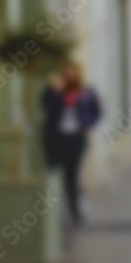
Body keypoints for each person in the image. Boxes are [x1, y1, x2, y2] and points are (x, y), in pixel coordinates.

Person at [40, 60, 100, 225]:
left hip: (76, 139)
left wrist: (85, 124)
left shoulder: (86, 92)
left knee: (72, 177)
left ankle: (75, 212)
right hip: (56, 139)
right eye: (66, 71)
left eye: (72, 71)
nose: (69, 74)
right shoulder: (55, 91)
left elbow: (96, 111)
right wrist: (54, 91)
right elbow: (46, 106)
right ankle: (51, 215)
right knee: (54, 175)